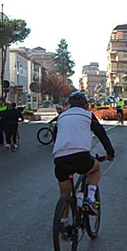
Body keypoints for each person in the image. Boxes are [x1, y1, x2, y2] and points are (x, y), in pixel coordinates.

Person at [53, 91, 115, 220]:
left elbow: (55, 137)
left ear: (69, 105)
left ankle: (63, 224)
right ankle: (90, 199)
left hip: (60, 158)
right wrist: (110, 153)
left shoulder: (62, 116)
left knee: (64, 193)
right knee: (95, 168)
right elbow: (101, 135)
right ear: (85, 105)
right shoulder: (88, 116)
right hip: (81, 157)